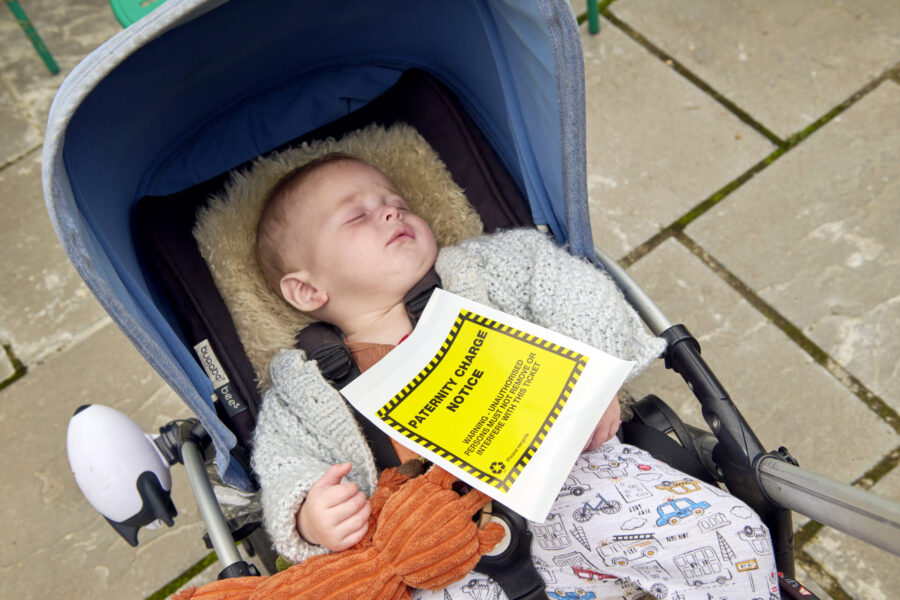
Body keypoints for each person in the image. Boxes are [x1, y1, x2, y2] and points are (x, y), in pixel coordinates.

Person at [252, 153, 780, 599]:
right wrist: (309, 515)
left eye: (397, 203)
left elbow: (576, 292)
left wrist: (592, 381)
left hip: (578, 477)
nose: (391, 212)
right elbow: (283, 465)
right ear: (306, 291)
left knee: (730, 539)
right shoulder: (304, 388)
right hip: (442, 553)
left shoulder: (489, 268)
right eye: (357, 216)